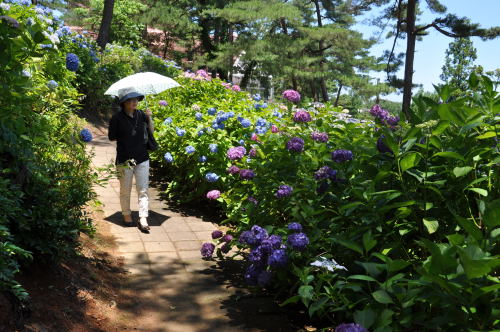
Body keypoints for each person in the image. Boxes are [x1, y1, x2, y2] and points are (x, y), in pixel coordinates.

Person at [108, 91, 154, 232]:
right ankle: (126, 214)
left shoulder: (141, 115)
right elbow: (112, 137)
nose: (134, 102)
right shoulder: (116, 118)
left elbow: (151, 132)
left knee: (143, 189)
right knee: (125, 190)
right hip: (125, 159)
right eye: (130, 100)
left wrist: (149, 118)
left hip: (142, 157)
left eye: (136, 100)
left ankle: (143, 217)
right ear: (124, 102)